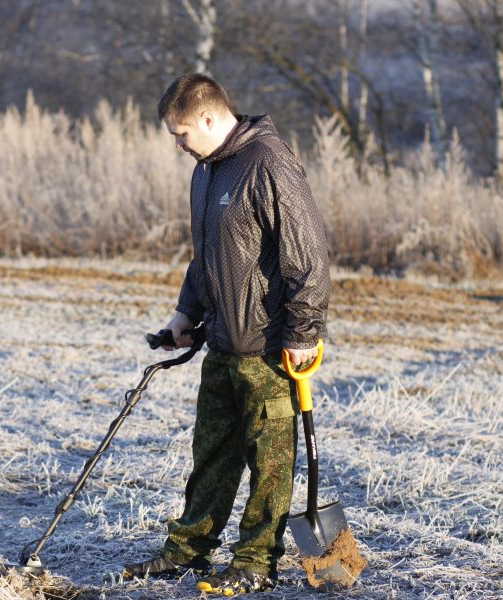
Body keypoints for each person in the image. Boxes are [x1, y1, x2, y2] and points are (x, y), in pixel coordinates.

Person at [122, 74, 331, 596]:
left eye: (182, 134)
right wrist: (183, 316)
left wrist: (303, 332)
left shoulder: (269, 164)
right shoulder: (207, 171)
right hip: (222, 344)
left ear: (211, 119)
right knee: (210, 453)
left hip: (270, 349)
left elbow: (308, 260)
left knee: (270, 465)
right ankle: (187, 550)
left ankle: (256, 562)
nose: (177, 144)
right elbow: (207, 258)